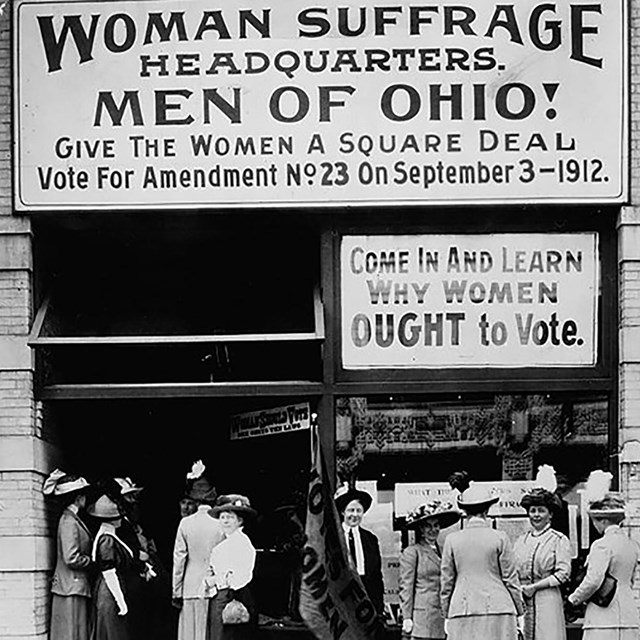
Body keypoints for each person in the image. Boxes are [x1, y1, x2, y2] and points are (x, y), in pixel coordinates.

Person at [440, 483, 525, 640]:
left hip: (462, 608)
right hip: (499, 607)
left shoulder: (452, 540)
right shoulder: (500, 537)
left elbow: (447, 583)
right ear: (487, 510)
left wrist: (446, 612)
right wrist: (519, 610)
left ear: (464, 511)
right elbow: (510, 580)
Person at [567, 470, 640, 640]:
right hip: (628, 614)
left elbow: (593, 580)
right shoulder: (632, 545)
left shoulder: (601, 545)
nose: (595, 525)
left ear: (604, 521)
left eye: (596, 521)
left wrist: (573, 599)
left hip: (603, 616)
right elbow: (630, 579)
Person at [514, 465, 572, 640]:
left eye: (541, 510)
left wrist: (535, 587)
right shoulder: (520, 540)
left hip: (547, 599)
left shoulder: (558, 539)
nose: (536, 515)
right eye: (533, 511)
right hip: (523, 600)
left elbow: (563, 574)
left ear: (550, 514)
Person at [173, 462, 224, 640]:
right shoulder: (221, 525)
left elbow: (179, 561)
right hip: (212, 586)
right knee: (206, 632)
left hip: (189, 585)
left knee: (188, 633)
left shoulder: (185, 523)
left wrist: (176, 591)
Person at [42, 469, 93, 640]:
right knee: (72, 633)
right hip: (71, 586)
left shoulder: (72, 519)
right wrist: (92, 562)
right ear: (78, 497)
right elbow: (71, 558)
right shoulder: (69, 522)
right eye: (84, 495)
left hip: (72, 586)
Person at [399, 500, 460, 640]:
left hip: (442, 616)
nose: (433, 530)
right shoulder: (412, 552)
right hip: (422, 618)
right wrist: (407, 617)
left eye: (436, 525)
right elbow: (406, 586)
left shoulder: (444, 550)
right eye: (428, 526)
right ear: (421, 529)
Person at [205, 494, 258, 640]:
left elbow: (241, 576)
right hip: (221, 596)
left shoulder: (242, 543)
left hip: (233, 595)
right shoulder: (224, 544)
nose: (225, 521)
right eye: (222, 517)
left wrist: (217, 579)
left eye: (230, 517)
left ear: (240, 521)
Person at [89, 494, 139, 640]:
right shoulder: (107, 540)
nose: (120, 520)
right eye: (118, 517)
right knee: (113, 631)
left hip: (110, 590)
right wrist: (120, 601)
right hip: (109, 592)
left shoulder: (108, 535)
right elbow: (109, 573)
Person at [335, 483, 385, 616]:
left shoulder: (370, 539)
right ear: (343, 512)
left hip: (366, 596)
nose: (355, 515)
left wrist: (379, 607)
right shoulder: (333, 538)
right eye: (351, 510)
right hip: (341, 595)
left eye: (359, 510)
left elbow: (376, 576)